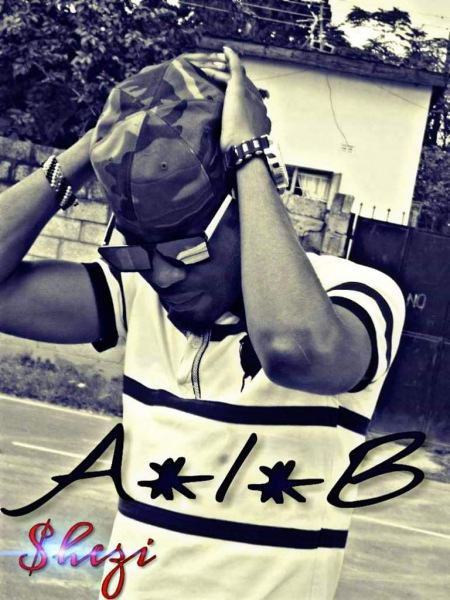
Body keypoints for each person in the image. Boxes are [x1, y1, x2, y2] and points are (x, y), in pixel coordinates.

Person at [0, 47, 405, 599]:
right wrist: (102, 141)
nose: (162, 275)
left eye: (186, 248)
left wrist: (248, 154)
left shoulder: (353, 295)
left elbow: (292, 350)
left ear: (245, 205)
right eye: (139, 252)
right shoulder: (137, 295)